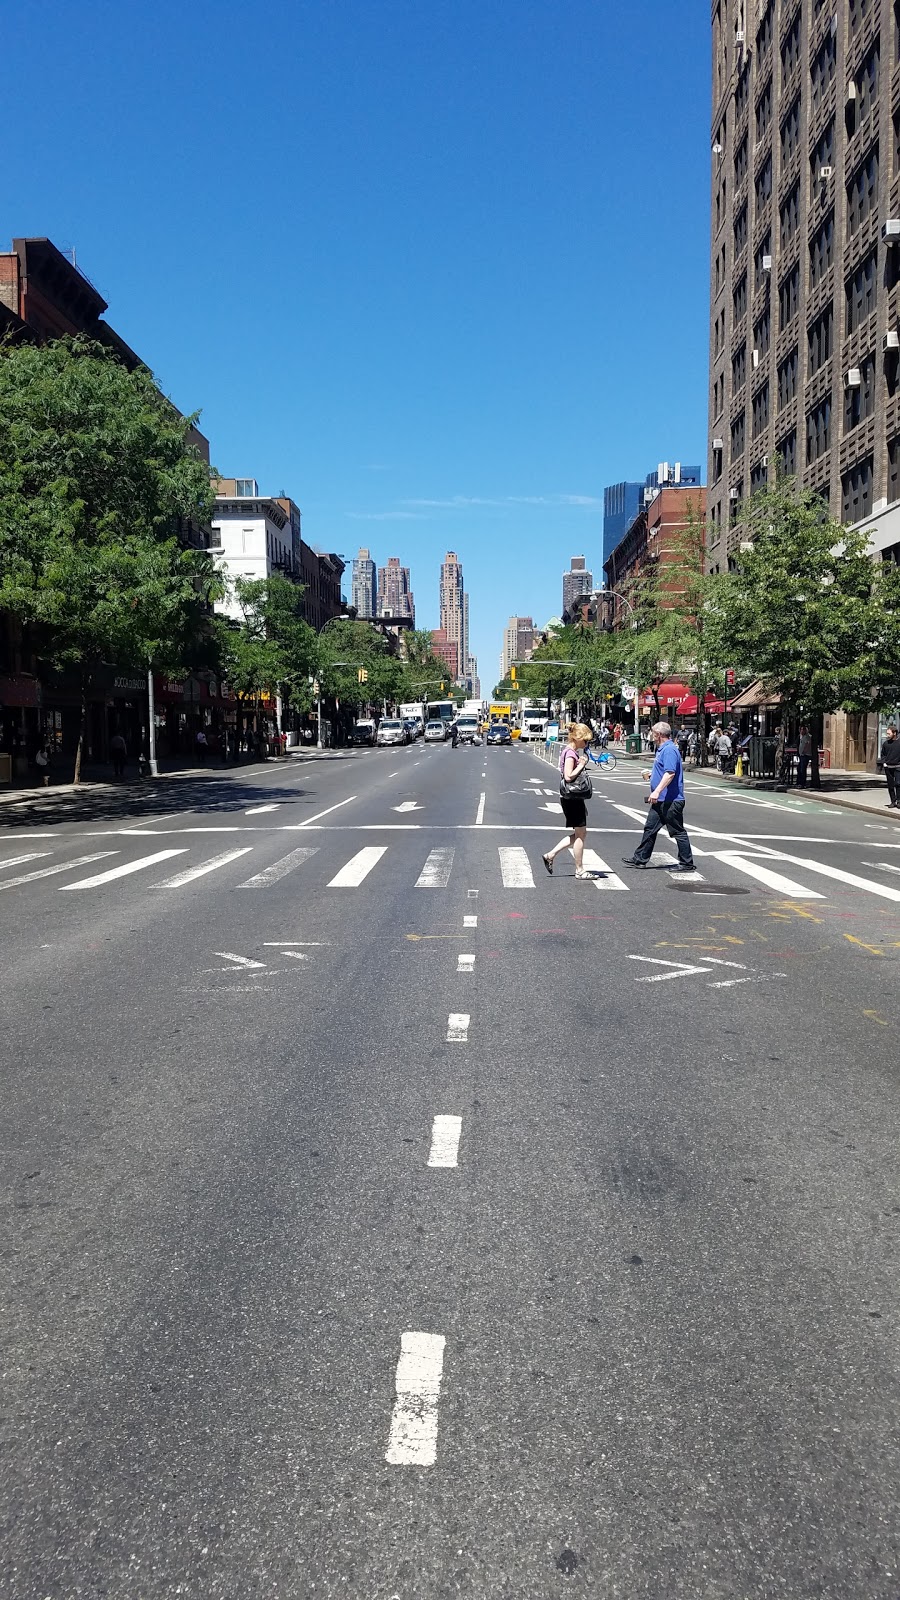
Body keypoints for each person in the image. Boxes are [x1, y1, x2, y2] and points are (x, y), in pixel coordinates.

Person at [622, 720, 695, 872]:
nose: (651, 735)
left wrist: (656, 791)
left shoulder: (669, 750)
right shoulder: (662, 749)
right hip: (661, 800)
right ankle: (640, 858)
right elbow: (664, 771)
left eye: (653, 733)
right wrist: (652, 775)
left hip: (670, 800)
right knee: (650, 828)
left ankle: (687, 863)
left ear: (659, 734)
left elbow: (670, 773)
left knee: (677, 831)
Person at [542, 722, 594, 879]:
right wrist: (582, 764)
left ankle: (551, 855)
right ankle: (579, 870)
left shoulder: (570, 751)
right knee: (580, 834)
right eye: (585, 740)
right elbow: (568, 776)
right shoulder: (571, 753)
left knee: (581, 833)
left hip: (570, 797)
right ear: (578, 738)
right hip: (572, 797)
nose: (586, 744)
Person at [879, 724, 900, 807]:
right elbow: (883, 754)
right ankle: (893, 801)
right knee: (890, 785)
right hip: (888, 766)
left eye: (889, 733)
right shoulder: (886, 744)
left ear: (894, 733)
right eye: (887, 734)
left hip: (898, 766)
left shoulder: (899, 743)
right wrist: (884, 763)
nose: (887, 735)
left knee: (898, 783)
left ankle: (899, 801)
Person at [797, 723, 812, 789]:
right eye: (801, 729)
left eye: (803, 729)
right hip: (801, 755)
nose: (802, 731)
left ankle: (803, 783)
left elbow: (807, 744)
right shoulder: (801, 736)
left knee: (802, 769)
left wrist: (804, 751)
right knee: (799, 768)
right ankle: (799, 782)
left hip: (805, 755)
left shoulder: (807, 736)